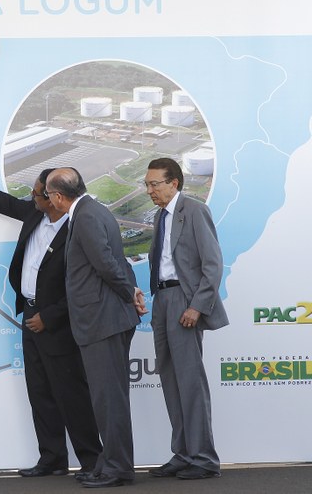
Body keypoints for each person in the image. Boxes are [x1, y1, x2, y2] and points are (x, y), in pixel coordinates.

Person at [0, 166, 101, 481]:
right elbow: (7, 203)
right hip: (30, 316)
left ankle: (93, 462)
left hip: (59, 320)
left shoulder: (80, 226)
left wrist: (50, 316)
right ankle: (52, 458)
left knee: (72, 394)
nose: (31, 197)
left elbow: (84, 284)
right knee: (40, 392)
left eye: (38, 193)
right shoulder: (35, 212)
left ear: (55, 197)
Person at [44, 168, 146, 488]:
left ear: (59, 196)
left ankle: (117, 468)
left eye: (48, 195)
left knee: (108, 399)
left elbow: (105, 264)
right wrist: (132, 292)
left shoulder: (86, 216)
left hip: (102, 320)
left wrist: (129, 293)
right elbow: (118, 261)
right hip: (106, 318)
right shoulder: (96, 209)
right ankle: (108, 463)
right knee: (107, 398)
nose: (48, 201)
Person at [144, 158, 228, 480]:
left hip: (184, 300)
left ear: (174, 183)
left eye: (155, 184)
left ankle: (204, 459)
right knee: (170, 380)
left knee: (190, 383)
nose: (150, 190)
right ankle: (182, 454)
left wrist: (197, 306)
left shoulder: (194, 211)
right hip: (162, 299)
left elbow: (213, 264)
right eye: (147, 184)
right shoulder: (159, 217)